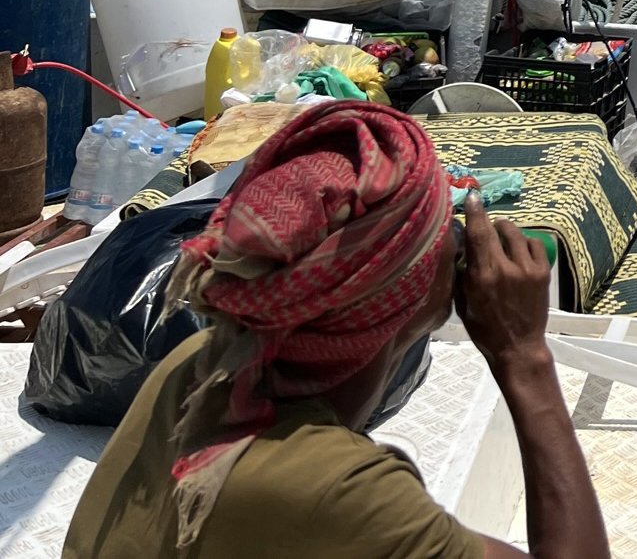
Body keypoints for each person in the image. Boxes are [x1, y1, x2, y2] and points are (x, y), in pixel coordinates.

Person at [62, 102, 608, 559]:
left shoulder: (203, 364)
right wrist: (523, 355)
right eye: (443, 227)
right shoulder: (340, 490)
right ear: (402, 297)